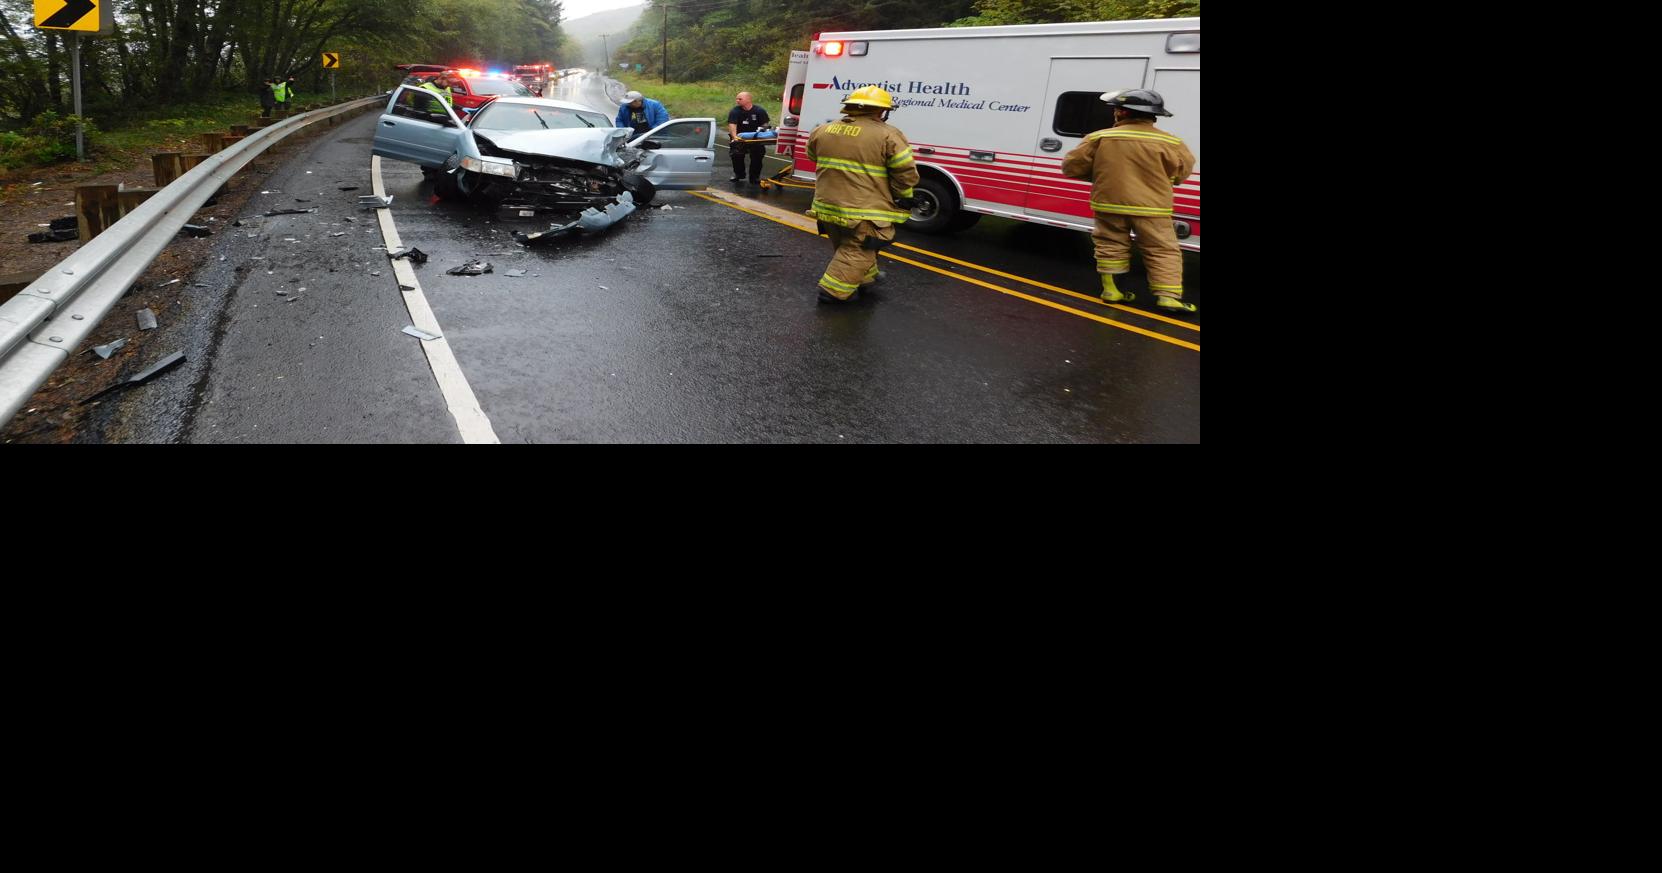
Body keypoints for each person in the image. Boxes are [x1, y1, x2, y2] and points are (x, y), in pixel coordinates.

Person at [1060, 88, 1197, 313]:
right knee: (1162, 249)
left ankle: (1112, 292)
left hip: (1108, 204)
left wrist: (1103, 177)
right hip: (1153, 207)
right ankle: (1168, 298)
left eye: (1116, 109)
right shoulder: (1171, 142)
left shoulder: (1099, 137)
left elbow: (1071, 168)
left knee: (1111, 245)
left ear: (1123, 113)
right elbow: (1181, 172)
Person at [804, 86, 919, 303]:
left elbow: (811, 155)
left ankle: (865, 279)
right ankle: (832, 291)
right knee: (861, 247)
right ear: (881, 111)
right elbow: (905, 174)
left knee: (847, 243)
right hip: (864, 209)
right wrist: (903, 196)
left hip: (826, 204)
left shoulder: (823, 130)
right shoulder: (889, 135)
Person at [726, 91, 770, 184]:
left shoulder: (759, 111)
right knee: (736, 155)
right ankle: (739, 174)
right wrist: (734, 137)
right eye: (736, 98)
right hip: (739, 138)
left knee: (757, 157)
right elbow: (732, 124)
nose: (737, 100)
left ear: (748, 99)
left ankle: (754, 177)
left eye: (740, 99)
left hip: (755, 138)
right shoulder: (735, 111)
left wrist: (763, 132)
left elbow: (765, 124)